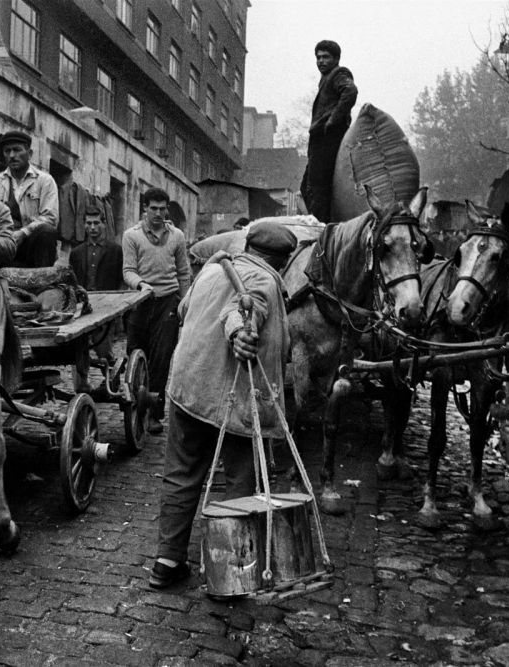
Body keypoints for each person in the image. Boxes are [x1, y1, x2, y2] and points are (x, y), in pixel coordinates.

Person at [149, 221, 298, 589]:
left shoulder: (213, 269)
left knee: (181, 475)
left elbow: (184, 310)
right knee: (240, 483)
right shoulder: (263, 282)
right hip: (235, 403)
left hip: (187, 388)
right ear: (283, 261)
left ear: (248, 245)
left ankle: (167, 562)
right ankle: (232, 573)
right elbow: (243, 310)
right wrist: (239, 336)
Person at [122, 188, 192, 434]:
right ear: (145, 208)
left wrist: (185, 303)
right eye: (154, 208)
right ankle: (133, 409)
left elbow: (184, 273)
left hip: (167, 303)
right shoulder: (131, 236)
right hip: (141, 302)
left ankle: (155, 414)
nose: (158, 213)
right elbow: (128, 270)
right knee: (136, 355)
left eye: (163, 209)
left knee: (161, 360)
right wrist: (141, 285)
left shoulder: (177, 237)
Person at [69, 203, 125, 393]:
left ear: (103, 225)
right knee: (79, 345)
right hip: (82, 307)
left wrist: (117, 308)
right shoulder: (76, 253)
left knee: (103, 349)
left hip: (105, 306)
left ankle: (112, 376)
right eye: (88, 224)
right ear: (84, 226)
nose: (92, 228)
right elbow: (72, 282)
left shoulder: (115, 251)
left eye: (96, 223)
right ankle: (83, 382)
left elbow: (121, 280)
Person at [0, 130, 59, 268]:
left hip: (31, 245)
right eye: (7, 151)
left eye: (17, 150)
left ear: (29, 154)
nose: (12, 155)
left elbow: (50, 217)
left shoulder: (44, 181)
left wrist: (23, 233)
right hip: (5, 245)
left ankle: (42, 281)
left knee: (46, 231)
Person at [303, 40, 358, 223]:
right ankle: (323, 224)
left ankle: (324, 230)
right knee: (307, 187)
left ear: (336, 59)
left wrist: (333, 120)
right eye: (318, 57)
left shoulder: (338, 74)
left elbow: (350, 91)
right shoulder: (326, 78)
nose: (320, 61)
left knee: (319, 189)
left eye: (326, 57)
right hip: (320, 139)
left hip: (329, 138)